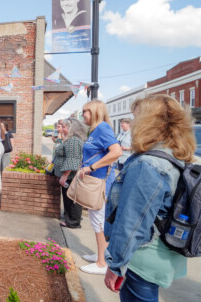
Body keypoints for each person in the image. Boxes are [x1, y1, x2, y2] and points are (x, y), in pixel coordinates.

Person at [104, 95, 194, 301]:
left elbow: (132, 223)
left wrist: (115, 265)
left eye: (136, 118)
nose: (133, 123)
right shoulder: (174, 155)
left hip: (141, 256)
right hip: (164, 250)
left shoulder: (148, 164)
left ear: (147, 122)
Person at [78, 100, 122, 275]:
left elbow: (116, 152)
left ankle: (102, 263)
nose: (82, 115)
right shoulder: (95, 130)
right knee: (97, 220)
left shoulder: (103, 128)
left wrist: (91, 167)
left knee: (99, 222)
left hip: (100, 183)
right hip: (94, 182)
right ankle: (101, 254)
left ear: (95, 111)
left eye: (85, 112)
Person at [53, 117, 87, 229]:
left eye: (64, 126)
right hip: (69, 175)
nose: (62, 129)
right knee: (69, 198)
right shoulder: (72, 139)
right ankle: (71, 218)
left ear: (71, 128)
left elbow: (72, 160)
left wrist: (64, 176)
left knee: (71, 199)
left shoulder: (73, 141)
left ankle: (73, 222)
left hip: (70, 176)